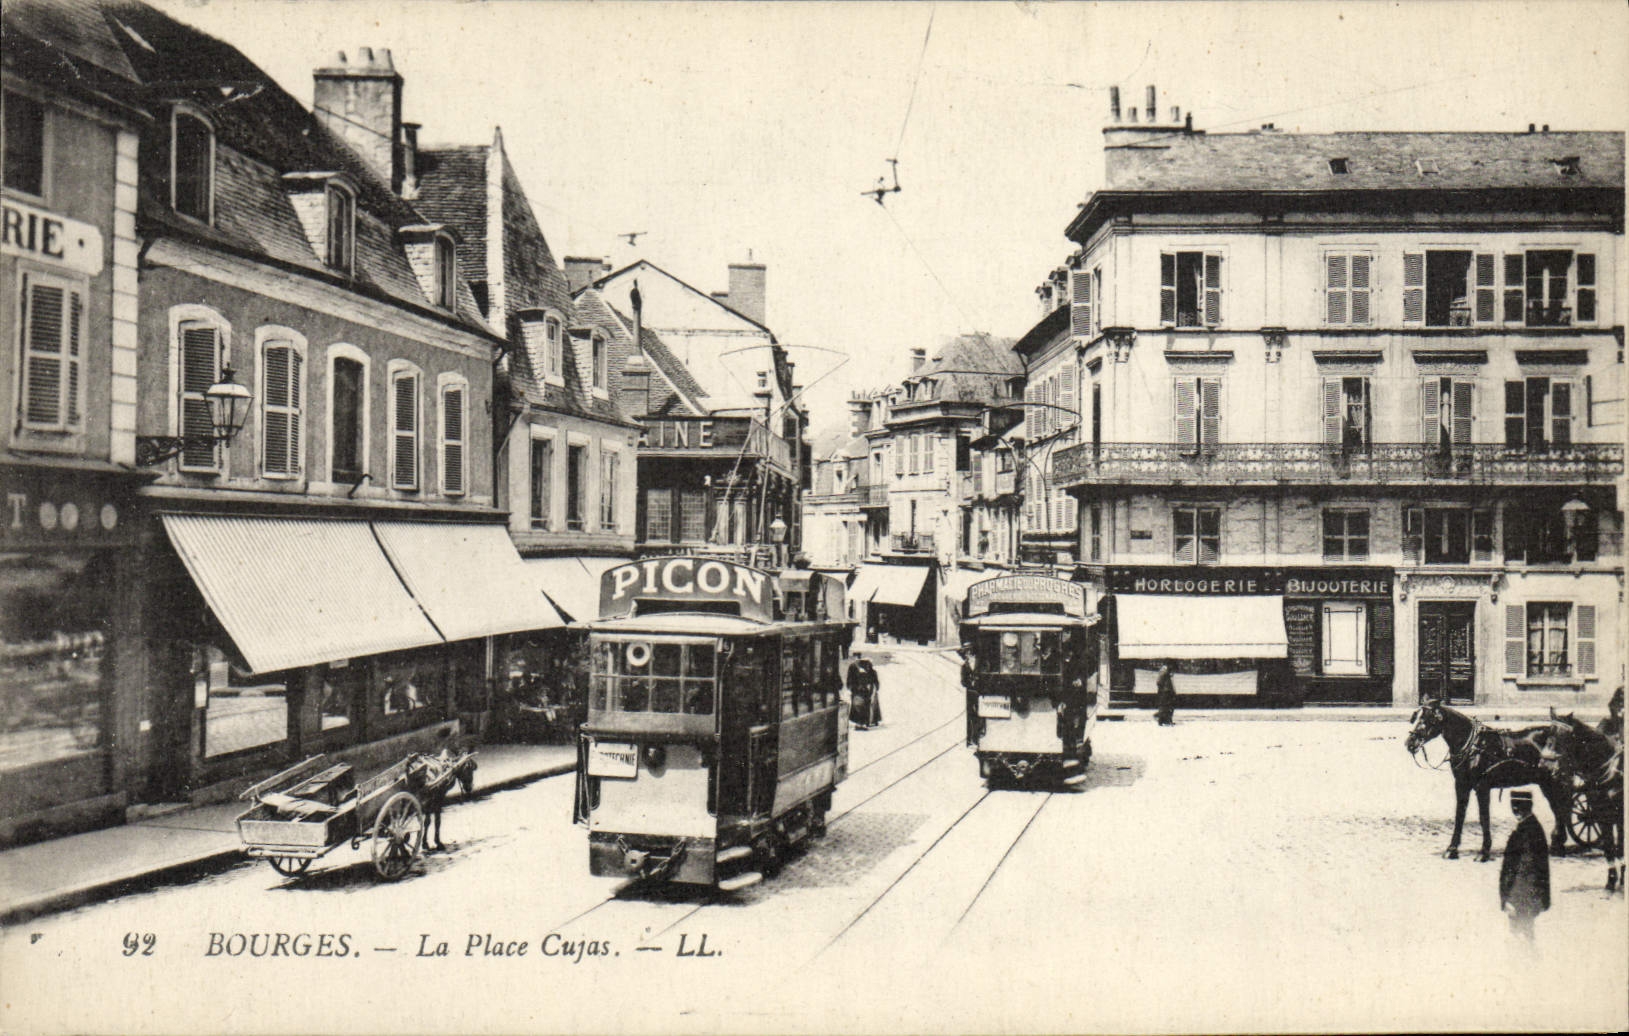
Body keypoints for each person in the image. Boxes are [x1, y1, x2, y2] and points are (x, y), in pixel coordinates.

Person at [1499, 789, 1551, 943]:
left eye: (1518, 807)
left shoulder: (1529, 831)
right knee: (1524, 938)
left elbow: (1526, 869)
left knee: (1521, 939)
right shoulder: (1529, 827)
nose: (1516, 811)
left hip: (1522, 899)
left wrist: (1512, 898)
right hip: (1524, 899)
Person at [847, 652, 874, 730]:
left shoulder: (866, 665)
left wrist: (869, 686)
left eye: (858, 657)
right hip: (856, 689)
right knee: (857, 706)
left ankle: (864, 723)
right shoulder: (852, 666)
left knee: (864, 706)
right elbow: (849, 678)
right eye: (855, 657)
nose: (856, 659)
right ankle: (858, 724)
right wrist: (851, 687)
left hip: (864, 689)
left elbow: (871, 677)